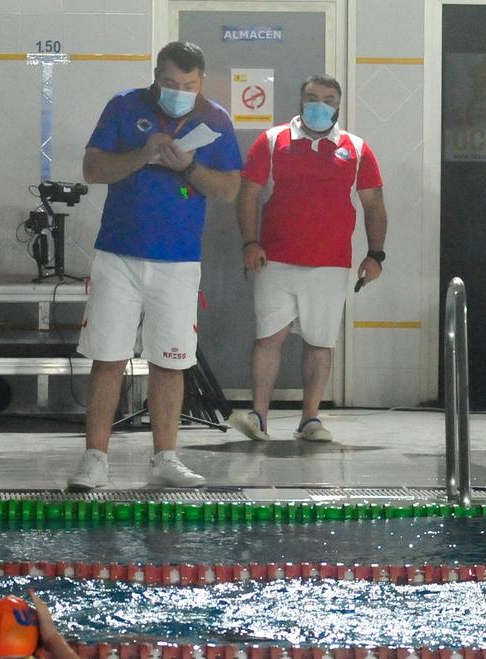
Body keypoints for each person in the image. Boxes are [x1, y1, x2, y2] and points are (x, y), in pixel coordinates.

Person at [69, 41, 245, 492]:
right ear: (155, 76)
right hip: (118, 253)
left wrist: (187, 167)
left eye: (188, 85)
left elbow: (228, 189)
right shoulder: (125, 107)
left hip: (178, 259)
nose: (178, 91)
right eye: (170, 83)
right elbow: (92, 168)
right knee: (108, 356)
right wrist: (143, 155)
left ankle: (166, 457)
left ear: (201, 80)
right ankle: (95, 458)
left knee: (171, 359)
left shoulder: (216, 120)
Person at [230, 75, 385, 445]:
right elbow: (247, 194)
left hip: (331, 263)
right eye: (312, 97)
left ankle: (310, 419)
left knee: (320, 341)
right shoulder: (271, 141)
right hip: (275, 260)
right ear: (300, 100)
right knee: (269, 338)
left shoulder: (357, 148)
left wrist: (375, 254)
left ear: (338, 104)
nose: (319, 104)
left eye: (328, 98)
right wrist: (250, 242)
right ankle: (258, 416)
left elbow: (374, 205)